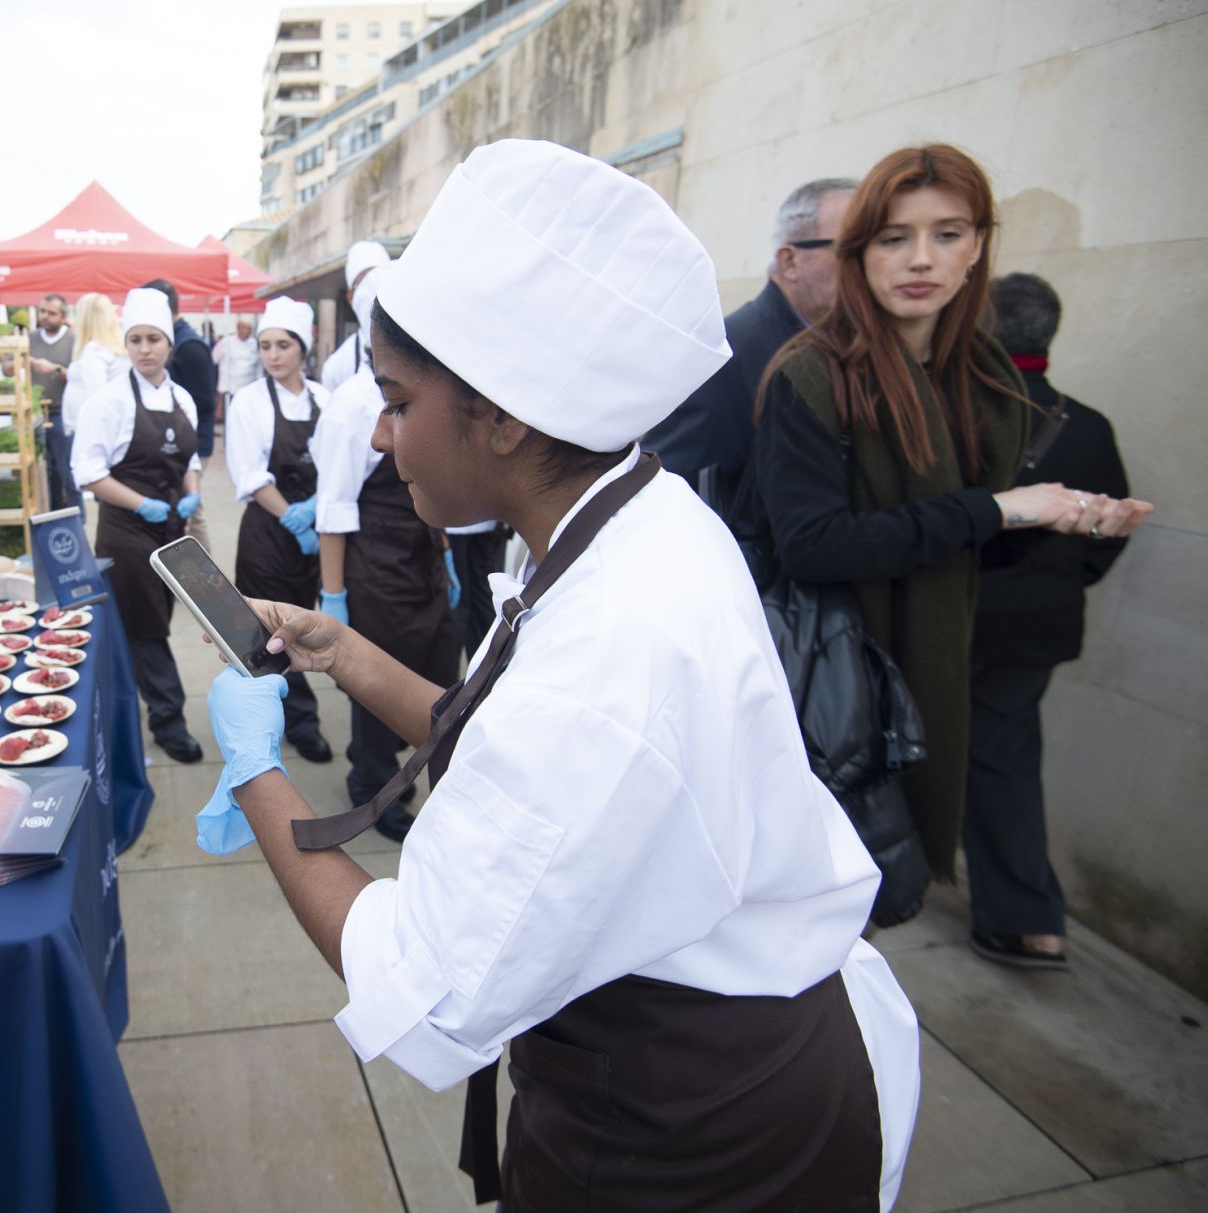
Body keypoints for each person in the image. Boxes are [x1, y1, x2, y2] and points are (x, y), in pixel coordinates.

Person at [192, 140, 920, 1210]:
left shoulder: (609, 656)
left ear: (505, 417)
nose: (384, 438)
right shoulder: (615, 515)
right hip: (686, 1065)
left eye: (397, 401)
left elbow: (425, 987)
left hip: (689, 1135)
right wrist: (342, 652)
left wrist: (257, 771)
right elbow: (491, 726)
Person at [748, 143, 1153, 914]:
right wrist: (1000, 508)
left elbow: (970, 541)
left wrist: (1065, 522)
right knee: (819, 899)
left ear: (979, 248)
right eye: (895, 238)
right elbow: (814, 543)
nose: (921, 259)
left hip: (939, 669)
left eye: (948, 234)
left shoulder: (987, 379)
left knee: (882, 891)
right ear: (861, 250)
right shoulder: (812, 372)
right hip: (835, 684)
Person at [967, 273, 1148, 970]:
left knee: (898, 752)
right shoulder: (1091, 425)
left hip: (955, 620)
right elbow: (1113, 530)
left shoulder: (959, 411)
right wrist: (1068, 580)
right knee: (1006, 761)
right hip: (1039, 624)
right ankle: (1027, 923)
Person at [311, 262, 458, 843]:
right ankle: (374, 788)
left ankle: (423, 775)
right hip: (374, 571)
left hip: (422, 564)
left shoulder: (429, 391)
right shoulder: (352, 405)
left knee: (441, 680)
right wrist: (333, 596)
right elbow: (335, 507)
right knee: (375, 690)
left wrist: (443, 553)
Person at [649, 177, 856, 490]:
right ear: (790, 262)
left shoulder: (850, 345)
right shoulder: (728, 356)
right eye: (853, 249)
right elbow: (672, 483)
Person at [71, 287, 206, 764]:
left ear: (169, 344)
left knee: (150, 623)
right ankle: (169, 723)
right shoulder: (108, 402)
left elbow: (190, 456)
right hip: (128, 532)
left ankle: (123, 709)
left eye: (153, 339)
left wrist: (191, 489)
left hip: (172, 529)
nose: (145, 348)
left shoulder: (183, 399)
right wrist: (142, 503)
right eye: (136, 339)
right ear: (125, 345)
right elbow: (88, 472)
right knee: (148, 631)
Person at [223, 296, 333, 764]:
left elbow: (337, 468)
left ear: (302, 349)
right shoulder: (248, 402)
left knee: (304, 628)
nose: (273, 354)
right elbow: (248, 474)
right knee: (267, 634)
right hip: (268, 535)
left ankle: (294, 717)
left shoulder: (325, 399)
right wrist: (292, 515)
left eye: (283, 345)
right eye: (265, 345)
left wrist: (315, 509)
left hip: (313, 534)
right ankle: (291, 722)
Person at [144, 278, 218, 552]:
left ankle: (206, 586)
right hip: (173, 445)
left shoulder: (190, 347)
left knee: (193, 514)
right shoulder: (173, 341)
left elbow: (205, 402)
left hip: (192, 445)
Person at [318, 240, 390, 392]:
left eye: (379, 276)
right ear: (351, 296)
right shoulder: (336, 367)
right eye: (364, 281)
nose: (372, 287)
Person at [59, 292, 128, 443]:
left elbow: (96, 394)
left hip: (92, 432)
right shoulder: (117, 347)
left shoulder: (95, 349)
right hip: (109, 427)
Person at [28, 294, 75, 506]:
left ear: (63, 316)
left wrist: (55, 369)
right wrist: (21, 361)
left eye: (51, 313)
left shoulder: (73, 339)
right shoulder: (30, 338)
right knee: (41, 474)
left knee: (67, 471)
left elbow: (81, 376)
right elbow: (6, 368)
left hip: (62, 414)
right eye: (43, 311)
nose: (45, 317)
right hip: (35, 414)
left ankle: (76, 519)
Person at [443, 519, 506, 656]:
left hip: (452, 523)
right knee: (482, 601)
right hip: (487, 520)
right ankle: (486, 666)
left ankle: (481, 665)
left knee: (459, 604)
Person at [211, 316, 262, 422]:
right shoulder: (226, 342)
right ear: (238, 328)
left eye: (249, 329)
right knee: (230, 418)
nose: (247, 331)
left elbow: (259, 366)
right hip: (229, 388)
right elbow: (214, 358)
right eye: (245, 328)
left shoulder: (254, 344)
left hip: (249, 387)